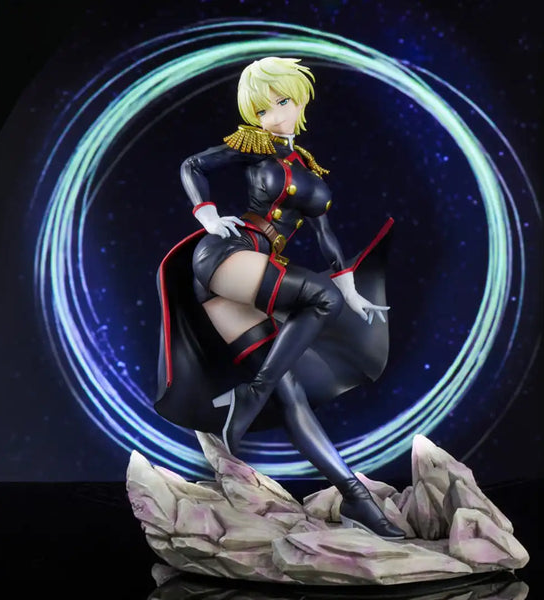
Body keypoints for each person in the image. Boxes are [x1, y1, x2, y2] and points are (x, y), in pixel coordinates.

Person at [154, 57, 405, 539]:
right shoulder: (257, 146)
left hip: (252, 276)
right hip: (228, 254)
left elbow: (328, 241)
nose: (273, 116)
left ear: (301, 99)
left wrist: (353, 292)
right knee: (320, 299)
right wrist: (207, 215)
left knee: (293, 395)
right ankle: (251, 393)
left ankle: (356, 500)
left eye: (283, 102)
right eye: (263, 108)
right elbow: (193, 165)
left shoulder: (307, 166)